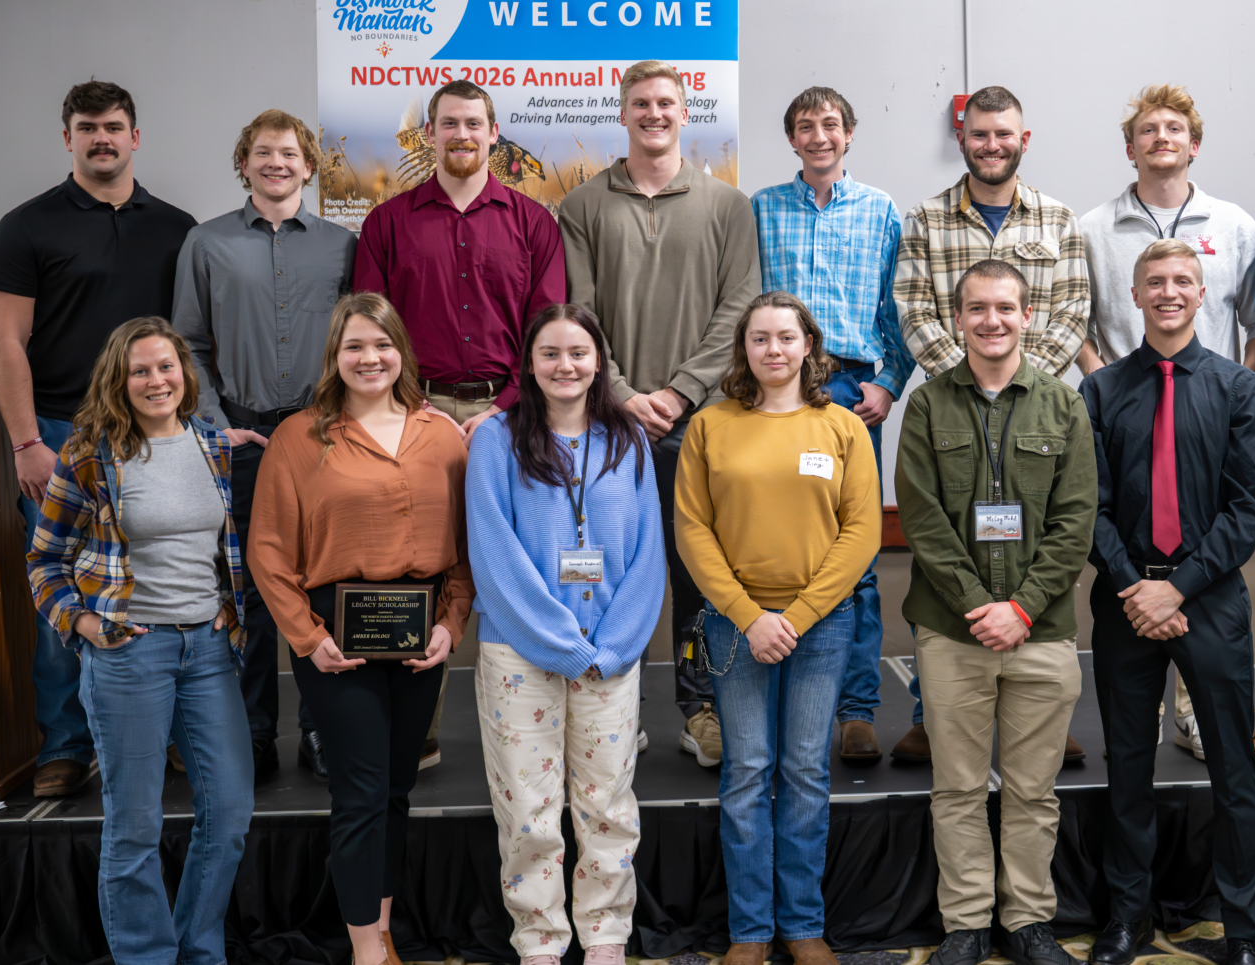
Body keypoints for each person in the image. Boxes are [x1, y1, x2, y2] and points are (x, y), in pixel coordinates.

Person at [0, 80, 196, 798]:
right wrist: (23, 444)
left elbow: (188, 344)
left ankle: (163, 736)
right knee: (62, 592)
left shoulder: (176, 228)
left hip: (154, 433)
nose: (101, 137)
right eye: (86, 127)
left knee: (160, 585)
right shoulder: (26, 226)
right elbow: (5, 344)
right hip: (59, 432)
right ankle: (65, 744)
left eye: (113, 126)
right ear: (66, 137)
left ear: (136, 136)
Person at [249, 292, 475, 965]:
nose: (370, 357)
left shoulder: (443, 436)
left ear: (401, 351)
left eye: (382, 344)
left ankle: (382, 932)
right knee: (360, 790)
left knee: (397, 789)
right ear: (335, 357)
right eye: (354, 346)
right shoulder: (300, 435)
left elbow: (466, 546)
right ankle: (365, 953)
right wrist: (306, 634)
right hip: (332, 633)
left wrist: (452, 621)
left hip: (421, 631)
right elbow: (267, 548)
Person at [27, 317, 251, 965]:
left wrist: (228, 611)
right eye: (140, 370)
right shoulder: (90, 454)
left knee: (230, 817)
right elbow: (44, 560)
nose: (156, 380)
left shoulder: (212, 444)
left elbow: (223, 546)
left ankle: (198, 951)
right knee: (134, 829)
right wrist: (86, 623)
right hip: (129, 653)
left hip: (208, 655)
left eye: (166, 366)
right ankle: (147, 957)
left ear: (187, 371)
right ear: (119, 381)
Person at [355, 78, 564, 768]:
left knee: (519, 558)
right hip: (414, 410)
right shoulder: (387, 223)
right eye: (448, 124)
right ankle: (421, 728)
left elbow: (547, 332)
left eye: (474, 123)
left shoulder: (534, 224)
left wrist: (503, 410)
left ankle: (531, 723)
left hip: (512, 412)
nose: (462, 135)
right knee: (420, 560)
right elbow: (371, 330)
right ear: (430, 136)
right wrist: (418, 407)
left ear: (494, 133)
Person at [561, 60, 760, 767]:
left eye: (666, 103)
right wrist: (616, 390)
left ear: (686, 113)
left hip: (698, 422)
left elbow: (740, 307)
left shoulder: (727, 207)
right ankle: (609, 706)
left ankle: (699, 705)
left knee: (696, 573)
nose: (654, 113)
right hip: (604, 424)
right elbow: (575, 313)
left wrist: (678, 391)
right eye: (641, 103)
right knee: (600, 570)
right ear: (623, 113)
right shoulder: (582, 206)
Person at [894, 260, 1094, 965]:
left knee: (1034, 792)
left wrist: (1023, 607)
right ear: (958, 319)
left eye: (1005, 307)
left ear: (1028, 314)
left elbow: (1076, 521)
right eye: (977, 308)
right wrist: (984, 606)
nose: (992, 320)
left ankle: (1030, 919)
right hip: (953, 630)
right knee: (955, 787)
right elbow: (921, 519)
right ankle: (967, 923)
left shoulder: (1064, 405)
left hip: (1041, 631)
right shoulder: (925, 405)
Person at [1080, 240, 1255, 965]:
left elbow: (1249, 508)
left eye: (1182, 281)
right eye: (1154, 281)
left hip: (1210, 601)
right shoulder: (1097, 393)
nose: (1167, 291)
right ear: (1134, 295)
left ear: (1201, 293)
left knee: (1234, 770)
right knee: (1127, 768)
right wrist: (1138, 587)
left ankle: (1245, 930)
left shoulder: (1240, 390)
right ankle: (1127, 918)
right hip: (1125, 600)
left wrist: (1178, 587)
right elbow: (1089, 507)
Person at [675, 291, 881, 965]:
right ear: (744, 349)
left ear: (808, 346)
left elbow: (861, 532)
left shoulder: (843, 427)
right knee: (745, 772)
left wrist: (791, 618)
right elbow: (693, 531)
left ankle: (802, 925)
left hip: (820, 625)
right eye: (759, 338)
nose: (773, 349)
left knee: (803, 772)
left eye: (786, 338)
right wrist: (748, 615)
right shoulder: (711, 424)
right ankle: (750, 932)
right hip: (735, 626)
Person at [891, 85, 1089, 765]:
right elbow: (914, 308)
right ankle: (935, 714)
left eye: (1005, 134)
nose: (993, 144)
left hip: (1034, 411)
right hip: (952, 410)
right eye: (980, 134)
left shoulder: (1058, 218)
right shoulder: (925, 219)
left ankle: (1035, 712)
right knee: (948, 543)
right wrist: (971, 380)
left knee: (1032, 533)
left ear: (1023, 140)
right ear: (962, 138)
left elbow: (1070, 310)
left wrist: (1012, 380)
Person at [1076, 84, 1255, 763]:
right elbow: (1079, 319)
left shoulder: (1236, 224)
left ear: (1194, 143)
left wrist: (1232, 388)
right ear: (1129, 148)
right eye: (1148, 129)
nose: (1162, 137)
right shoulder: (1093, 226)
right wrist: (1111, 383)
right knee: (1128, 729)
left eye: (1175, 128)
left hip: (1209, 425)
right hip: (1128, 415)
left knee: (1203, 576)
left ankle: (1192, 711)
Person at [467, 304, 663, 965]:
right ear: (528, 362)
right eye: (549, 353)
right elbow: (495, 556)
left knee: (607, 800)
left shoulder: (628, 438)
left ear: (600, 361)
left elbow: (647, 555)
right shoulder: (495, 439)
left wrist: (610, 647)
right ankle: (541, 940)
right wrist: (563, 643)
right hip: (520, 652)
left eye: (578, 352)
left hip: (609, 655)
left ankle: (605, 934)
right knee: (527, 806)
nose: (565, 365)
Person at [172, 108, 357, 784]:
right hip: (243, 435)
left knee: (324, 584)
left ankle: (321, 729)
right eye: (261, 153)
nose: (275, 163)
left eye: (288, 153)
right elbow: (187, 343)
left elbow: (361, 345)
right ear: (243, 164)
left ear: (310, 165)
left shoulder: (343, 246)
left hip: (323, 435)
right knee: (248, 588)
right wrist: (216, 422)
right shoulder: (207, 242)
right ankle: (253, 735)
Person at [753, 85, 913, 764]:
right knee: (775, 545)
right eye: (803, 126)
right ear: (791, 139)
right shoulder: (760, 209)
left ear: (849, 134)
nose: (817, 135)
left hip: (851, 390)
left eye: (829, 124)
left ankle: (855, 708)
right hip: (776, 387)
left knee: (857, 554)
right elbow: (745, 305)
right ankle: (779, 693)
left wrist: (888, 382)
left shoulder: (881, 212)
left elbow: (897, 310)